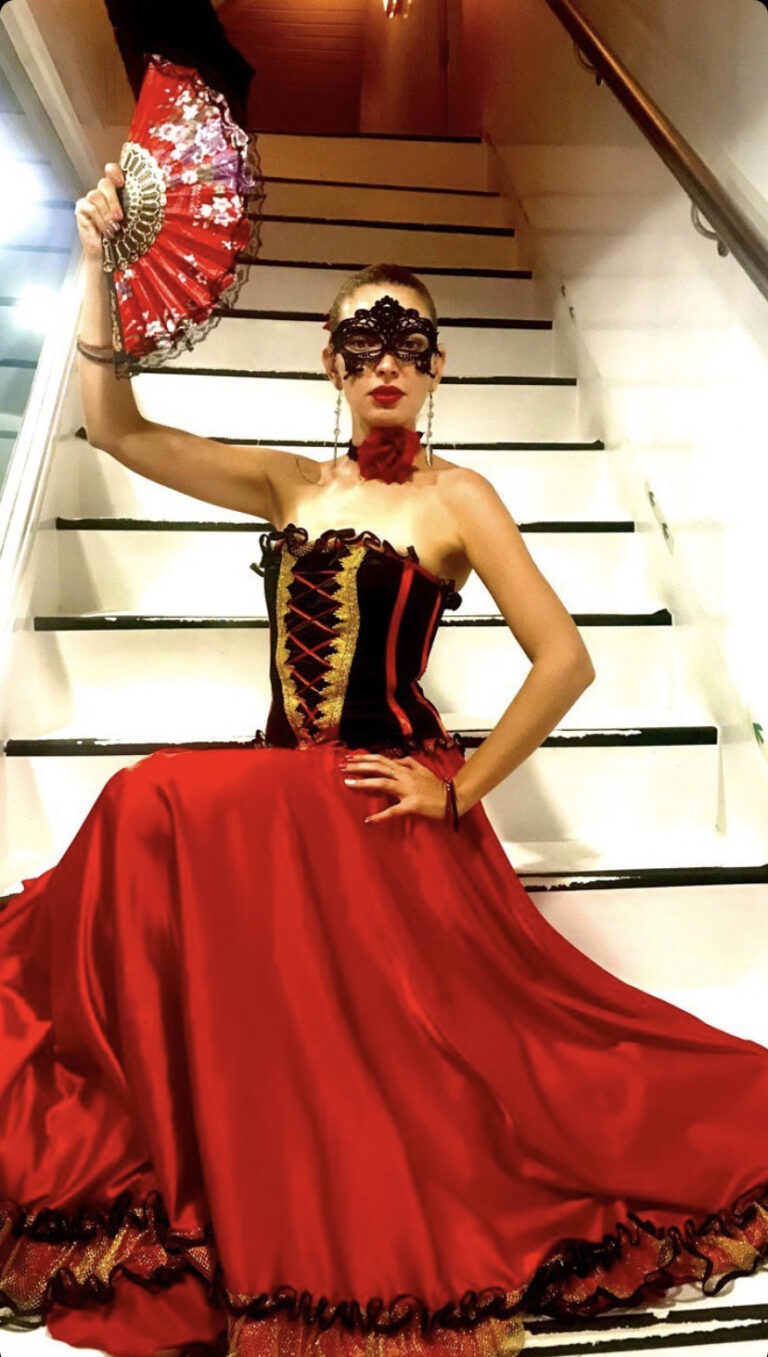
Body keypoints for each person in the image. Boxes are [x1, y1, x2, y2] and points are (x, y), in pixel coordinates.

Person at [1, 164, 768, 1357]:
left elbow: (565, 659)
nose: (385, 361)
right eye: (361, 341)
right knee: (148, 803)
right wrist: (99, 264)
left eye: (408, 339)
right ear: (332, 364)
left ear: (439, 365)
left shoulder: (461, 496)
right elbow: (118, 428)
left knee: (152, 793)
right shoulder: (288, 482)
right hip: (280, 791)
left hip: (376, 800)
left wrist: (460, 789)